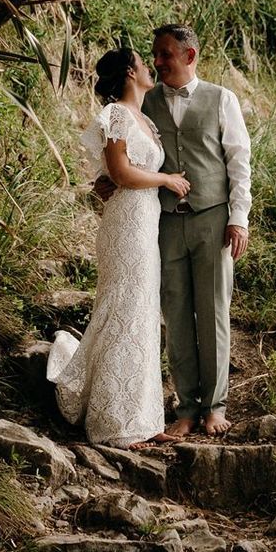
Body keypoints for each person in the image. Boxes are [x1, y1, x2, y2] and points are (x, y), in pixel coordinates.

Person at [106, 23, 252, 439]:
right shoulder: (144, 101)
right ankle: (186, 408)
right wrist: (107, 178)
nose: (157, 62)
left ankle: (215, 406)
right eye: (154, 55)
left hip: (212, 218)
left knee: (213, 314)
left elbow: (239, 162)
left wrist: (238, 217)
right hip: (165, 220)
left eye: (166, 54)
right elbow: (123, 150)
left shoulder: (222, 99)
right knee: (176, 315)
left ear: (190, 56)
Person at [46, 46, 193, 447]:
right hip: (125, 222)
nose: (152, 68)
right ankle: (114, 423)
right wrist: (166, 179)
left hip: (145, 222)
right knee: (124, 306)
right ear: (131, 72)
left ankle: (143, 418)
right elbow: (120, 172)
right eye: (146, 64)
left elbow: (119, 173)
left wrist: (147, 180)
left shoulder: (145, 119)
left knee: (142, 311)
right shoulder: (116, 114)